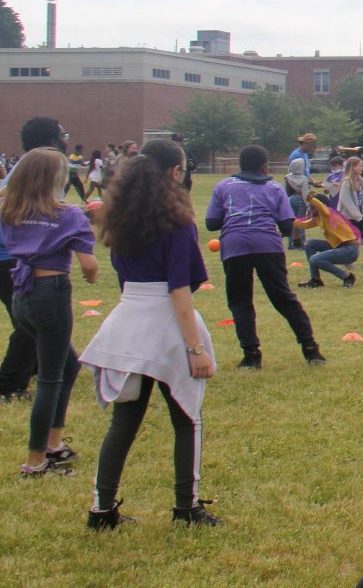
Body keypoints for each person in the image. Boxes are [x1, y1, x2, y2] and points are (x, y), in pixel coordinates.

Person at [81, 140, 220, 527]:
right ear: (175, 172)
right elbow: (179, 292)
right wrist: (195, 348)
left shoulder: (119, 219)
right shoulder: (177, 223)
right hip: (166, 325)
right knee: (187, 419)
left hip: (128, 322)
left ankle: (101, 509)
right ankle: (186, 507)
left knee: (123, 424)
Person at [3, 148, 97, 478]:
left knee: (68, 366)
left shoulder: (10, 209)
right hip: (51, 294)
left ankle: (54, 445)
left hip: (22, 295)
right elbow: (89, 266)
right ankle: (36, 462)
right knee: (49, 379)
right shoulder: (68, 214)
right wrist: (91, 275)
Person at [205, 145, 325, 370]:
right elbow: (287, 227)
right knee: (283, 297)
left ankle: (251, 355)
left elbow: (211, 223)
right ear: (264, 166)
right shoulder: (274, 188)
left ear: (240, 164)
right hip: (268, 245)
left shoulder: (223, 187)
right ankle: (311, 349)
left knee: (240, 300)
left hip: (235, 246)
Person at [295, 191, 362, 287]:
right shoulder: (319, 218)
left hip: (349, 249)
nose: (311, 209)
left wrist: (311, 199)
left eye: (313, 206)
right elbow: (303, 224)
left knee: (314, 259)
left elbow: (322, 208)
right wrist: (289, 218)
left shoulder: (327, 213)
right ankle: (315, 280)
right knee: (309, 244)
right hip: (339, 247)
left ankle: (347, 276)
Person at [285, 132, 318, 250]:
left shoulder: (304, 155)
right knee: (301, 220)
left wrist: (313, 181)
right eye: (311, 146)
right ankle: (299, 244)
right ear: (305, 144)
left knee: (295, 220)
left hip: (298, 192)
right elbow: (297, 176)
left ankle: (292, 244)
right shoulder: (297, 155)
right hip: (298, 192)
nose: (312, 148)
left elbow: (306, 173)